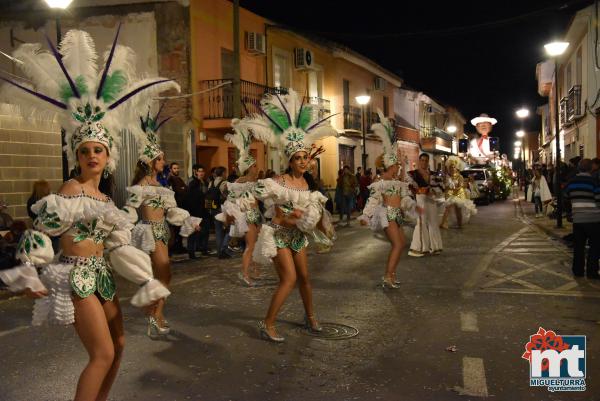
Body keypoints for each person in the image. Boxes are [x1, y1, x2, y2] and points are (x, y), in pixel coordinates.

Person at [0, 27, 172, 400]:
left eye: (98, 149)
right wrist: (29, 272)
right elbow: (40, 232)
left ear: (108, 157)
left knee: (121, 346)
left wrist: (146, 281)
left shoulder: (107, 202)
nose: (92, 155)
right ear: (76, 155)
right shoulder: (70, 191)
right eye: (85, 150)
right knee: (102, 353)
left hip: (102, 276)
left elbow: (116, 248)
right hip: (76, 278)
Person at [234, 89, 337, 342]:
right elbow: (252, 195)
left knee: (304, 278)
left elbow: (315, 211)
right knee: (289, 279)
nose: (303, 162)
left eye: (305, 158)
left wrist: (323, 227)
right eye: (298, 158)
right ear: (289, 161)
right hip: (279, 236)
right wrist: (255, 215)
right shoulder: (276, 182)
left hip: (298, 237)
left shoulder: (307, 185)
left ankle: (310, 316)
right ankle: (267, 323)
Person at [124, 108, 201, 337]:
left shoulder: (162, 187)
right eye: (161, 159)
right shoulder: (142, 186)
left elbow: (171, 211)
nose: (164, 161)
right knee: (163, 274)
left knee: (162, 276)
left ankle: (155, 314)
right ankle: (154, 316)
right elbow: (129, 210)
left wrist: (189, 221)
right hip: (149, 232)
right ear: (151, 162)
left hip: (162, 231)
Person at [359, 110, 417, 288]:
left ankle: (391, 274)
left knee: (401, 244)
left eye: (398, 165)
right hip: (388, 215)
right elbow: (374, 200)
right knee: (398, 245)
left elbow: (404, 198)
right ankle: (387, 276)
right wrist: (366, 216)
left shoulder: (398, 182)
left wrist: (413, 207)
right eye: (396, 165)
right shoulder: (381, 182)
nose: (398, 168)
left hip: (397, 215)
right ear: (390, 166)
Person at [216, 127, 262, 286]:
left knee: (255, 245)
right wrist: (231, 217)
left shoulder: (255, 182)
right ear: (249, 168)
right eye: (255, 166)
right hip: (248, 216)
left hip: (256, 215)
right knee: (250, 246)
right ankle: (245, 274)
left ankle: (253, 270)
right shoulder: (239, 183)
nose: (257, 168)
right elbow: (229, 201)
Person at [564, 159, 600, 279]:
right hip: (593, 219)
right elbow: (598, 200)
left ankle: (578, 271)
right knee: (594, 246)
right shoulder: (594, 182)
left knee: (579, 246)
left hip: (578, 219)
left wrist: (572, 209)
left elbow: (566, 197)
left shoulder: (571, 182)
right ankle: (591, 271)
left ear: (578, 168)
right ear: (590, 168)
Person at [407, 153, 443, 257]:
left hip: (431, 200)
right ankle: (420, 248)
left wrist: (432, 191)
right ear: (419, 161)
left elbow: (441, 187)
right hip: (420, 200)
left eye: (426, 160)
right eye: (422, 160)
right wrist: (419, 191)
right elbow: (410, 188)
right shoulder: (412, 174)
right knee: (421, 223)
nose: (424, 162)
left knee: (433, 222)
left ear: (428, 162)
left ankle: (436, 247)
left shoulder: (434, 174)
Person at [440, 156, 477, 228]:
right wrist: (447, 187)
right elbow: (445, 185)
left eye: (453, 167)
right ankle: (443, 223)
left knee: (458, 209)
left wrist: (455, 189)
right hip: (450, 194)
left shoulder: (460, 176)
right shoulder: (447, 176)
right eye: (450, 167)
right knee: (448, 208)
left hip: (458, 194)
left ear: (456, 168)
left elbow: (461, 186)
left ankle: (459, 224)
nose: (452, 169)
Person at [186, 164, 211, 258]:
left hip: (204, 209)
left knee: (205, 230)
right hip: (195, 210)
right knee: (193, 231)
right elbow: (190, 197)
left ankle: (203, 248)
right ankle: (191, 252)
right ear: (196, 172)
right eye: (199, 171)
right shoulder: (193, 182)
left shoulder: (206, 181)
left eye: (203, 171)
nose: (201, 173)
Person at [206, 166, 231, 259]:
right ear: (223, 173)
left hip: (213, 208)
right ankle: (223, 249)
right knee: (229, 228)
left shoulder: (211, 182)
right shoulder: (224, 183)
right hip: (222, 208)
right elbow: (227, 195)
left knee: (218, 230)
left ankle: (219, 251)